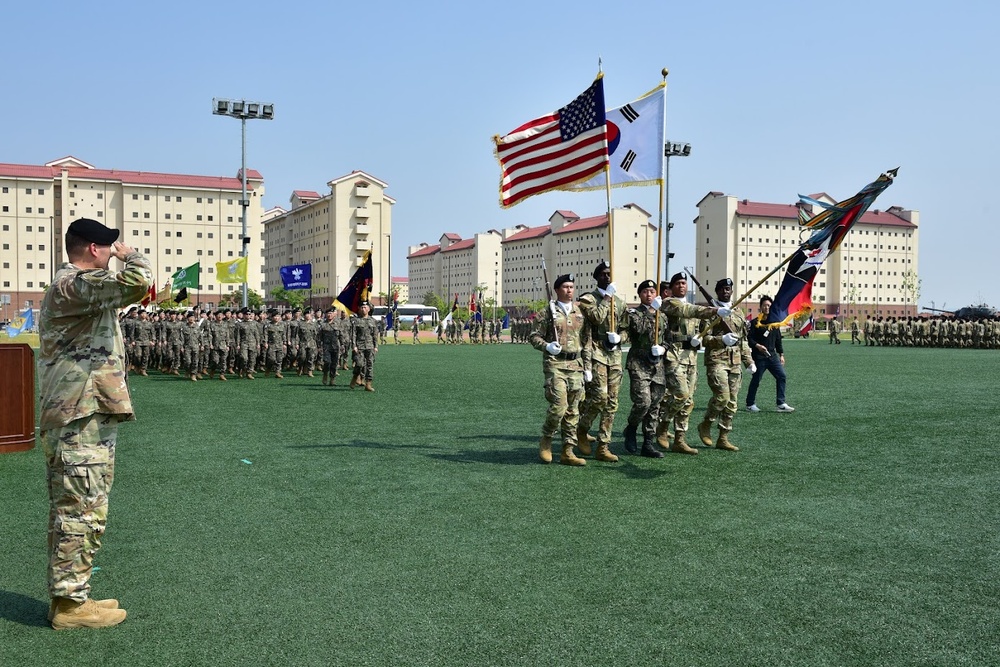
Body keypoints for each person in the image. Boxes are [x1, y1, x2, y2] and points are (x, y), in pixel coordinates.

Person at [38, 218, 151, 630]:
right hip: (78, 415)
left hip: (84, 411)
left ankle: (74, 594)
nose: (112, 252)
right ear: (91, 249)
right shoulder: (75, 285)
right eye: (107, 247)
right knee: (79, 510)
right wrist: (133, 256)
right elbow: (138, 284)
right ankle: (69, 607)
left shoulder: (80, 291)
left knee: (82, 507)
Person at [655, 273, 722, 455]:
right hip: (674, 355)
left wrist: (705, 339)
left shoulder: (694, 307)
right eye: (678, 283)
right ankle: (663, 425)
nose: (682, 286)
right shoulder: (668, 303)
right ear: (672, 287)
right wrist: (715, 310)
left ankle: (680, 439)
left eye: (684, 283)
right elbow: (688, 311)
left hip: (691, 357)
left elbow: (703, 333)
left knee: (689, 401)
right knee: (681, 395)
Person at [529, 274, 591, 466]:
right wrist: (547, 346)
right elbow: (534, 336)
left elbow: (587, 341)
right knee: (559, 406)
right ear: (556, 290)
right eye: (565, 286)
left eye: (571, 287)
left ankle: (568, 451)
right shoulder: (548, 311)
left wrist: (587, 367)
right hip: (556, 364)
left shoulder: (580, 312)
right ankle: (546, 439)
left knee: (573, 411)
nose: (569, 290)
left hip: (576, 365)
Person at [695, 278, 753, 452]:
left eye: (728, 289)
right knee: (722, 397)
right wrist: (722, 340)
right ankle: (706, 424)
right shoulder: (711, 312)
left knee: (732, 403)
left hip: (734, 362)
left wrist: (748, 361)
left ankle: (723, 437)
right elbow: (704, 338)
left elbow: (742, 340)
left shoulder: (738, 312)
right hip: (716, 360)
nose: (726, 292)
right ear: (717, 291)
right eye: (722, 289)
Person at [577, 261, 626, 463]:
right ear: (596, 277)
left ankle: (603, 446)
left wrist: (620, 338)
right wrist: (607, 297)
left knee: (612, 403)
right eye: (604, 274)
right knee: (599, 397)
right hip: (595, 352)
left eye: (610, 274)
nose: (607, 277)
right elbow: (596, 318)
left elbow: (625, 329)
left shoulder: (620, 303)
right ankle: (581, 428)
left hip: (614, 356)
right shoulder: (588, 299)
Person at [620, 280, 667, 457]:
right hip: (638, 363)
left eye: (652, 291)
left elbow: (668, 338)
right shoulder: (634, 314)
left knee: (655, 404)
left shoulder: (662, 316)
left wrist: (664, 348)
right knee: (643, 402)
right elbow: (637, 330)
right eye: (645, 292)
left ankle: (648, 442)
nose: (649, 295)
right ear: (640, 295)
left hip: (657, 364)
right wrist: (650, 312)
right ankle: (631, 428)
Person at [745, 295, 795, 414]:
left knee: (782, 376)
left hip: (772, 357)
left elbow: (778, 340)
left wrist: (781, 354)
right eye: (765, 305)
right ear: (760, 307)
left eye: (769, 305)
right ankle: (750, 404)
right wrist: (757, 346)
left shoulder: (774, 323)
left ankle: (781, 403)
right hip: (759, 357)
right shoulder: (755, 323)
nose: (767, 307)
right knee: (756, 380)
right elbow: (749, 339)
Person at [350, 301, 379, 391]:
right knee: (359, 364)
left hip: (370, 346)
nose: (363, 309)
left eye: (365, 307)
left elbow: (375, 334)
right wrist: (354, 345)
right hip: (359, 346)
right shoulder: (356, 321)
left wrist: (376, 346)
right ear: (359, 309)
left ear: (369, 309)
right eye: (362, 307)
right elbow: (353, 334)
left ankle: (368, 384)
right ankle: (355, 376)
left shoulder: (373, 321)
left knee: (370, 365)